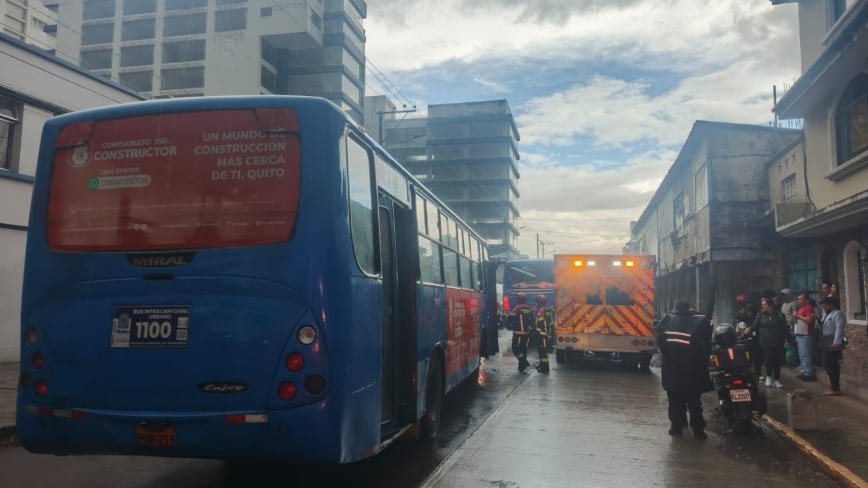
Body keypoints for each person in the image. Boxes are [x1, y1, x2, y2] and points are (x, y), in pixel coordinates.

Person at [655, 301, 714, 440]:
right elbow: (705, 346)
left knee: (675, 402)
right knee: (694, 403)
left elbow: (660, 341)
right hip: (692, 372)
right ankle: (698, 431)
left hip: (672, 370)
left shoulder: (667, 323)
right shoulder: (698, 324)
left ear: (675, 310)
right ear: (689, 310)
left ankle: (676, 428)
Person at [746, 297, 789, 388]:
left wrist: (786, 339)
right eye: (762, 305)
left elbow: (785, 327)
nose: (763, 306)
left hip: (778, 341)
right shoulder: (760, 314)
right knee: (769, 359)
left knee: (777, 361)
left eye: (764, 305)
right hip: (765, 341)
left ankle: (777, 379)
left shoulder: (779, 314)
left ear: (770, 305)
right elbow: (755, 325)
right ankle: (769, 376)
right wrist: (749, 329)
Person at [819, 296, 846, 396]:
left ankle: (836, 388)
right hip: (826, 341)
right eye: (822, 306)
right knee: (827, 364)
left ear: (831, 305)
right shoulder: (825, 314)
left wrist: (837, 342)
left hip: (833, 341)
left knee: (831, 364)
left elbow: (839, 328)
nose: (823, 307)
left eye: (825, 305)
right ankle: (833, 386)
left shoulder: (837, 314)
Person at [792, 292, 817, 381]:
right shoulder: (800, 308)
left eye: (801, 299)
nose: (799, 301)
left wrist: (798, 316)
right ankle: (804, 371)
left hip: (806, 334)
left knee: (806, 355)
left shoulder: (808, 308)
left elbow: (810, 320)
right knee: (802, 355)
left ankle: (809, 373)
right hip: (799, 333)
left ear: (806, 300)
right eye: (798, 299)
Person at [507, 293, 535, 372]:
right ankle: (521, 367)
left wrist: (507, 320)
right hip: (527, 333)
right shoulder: (529, 309)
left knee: (515, 348)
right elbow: (532, 321)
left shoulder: (517, 308)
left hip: (518, 333)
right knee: (523, 349)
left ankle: (524, 362)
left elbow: (510, 318)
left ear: (518, 299)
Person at [533, 295, 553, 373]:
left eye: (538, 302)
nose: (537, 303)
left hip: (542, 334)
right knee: (542, 351)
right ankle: (541, 366)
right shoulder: (548, 309)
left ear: (541, 302)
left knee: (543, 352)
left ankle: (545, 368)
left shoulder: (541, 310)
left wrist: (536, 331)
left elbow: (540, 323)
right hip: (546, 334)